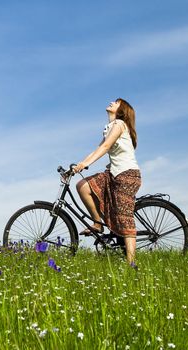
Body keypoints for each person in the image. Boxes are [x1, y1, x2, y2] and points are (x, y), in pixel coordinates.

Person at [72, 98, 141, 265]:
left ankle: (131, 264)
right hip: (113, 174)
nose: (111, 102)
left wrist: (85, 165)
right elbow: (98, 149)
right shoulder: (111, 127)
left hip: (127, 175)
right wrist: (77, 166)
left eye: (116, 102)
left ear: (121, 110)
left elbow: (105, 148)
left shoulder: (119, 124)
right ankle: (97, 224)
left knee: (124, 218)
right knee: (82, 185)